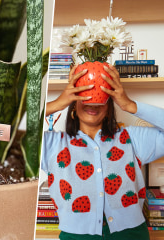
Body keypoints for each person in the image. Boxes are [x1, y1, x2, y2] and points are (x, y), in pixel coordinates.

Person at [41, 64, 164, 240]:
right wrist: (56, 104)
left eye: (99, 98)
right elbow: (6, 131)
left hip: (131, 234)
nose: (92, 103)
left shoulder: (131, 138)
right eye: (85, 96)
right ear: (73, 105)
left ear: (109, 108)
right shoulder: (52, 144)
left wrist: (130, 105)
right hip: (76, 236)